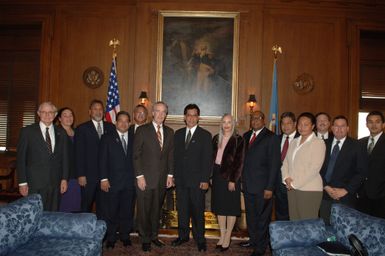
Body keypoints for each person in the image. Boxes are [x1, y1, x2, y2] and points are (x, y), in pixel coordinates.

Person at [133, 101, 174, 252]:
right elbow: (136, 155)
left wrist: (170, 175)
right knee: (144, 210)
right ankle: (144, 238)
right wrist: (139, 176)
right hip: (145, 179)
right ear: (153, 113)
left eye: (164, 112)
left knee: (156, 210)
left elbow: (170, 155)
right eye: (158, 111)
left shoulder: (170, 132)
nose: (161, 114)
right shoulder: (142, 131)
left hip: (162, 179)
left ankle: (154, 236)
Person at [171, 104, 212, 252]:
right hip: (181, 181)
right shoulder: (178, 134)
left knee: (197, 211)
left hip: (197, 182)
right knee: (182, 210)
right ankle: (183, 236)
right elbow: (174, 158)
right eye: (188, 115)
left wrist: (205, 179)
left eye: (194, 115)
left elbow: (207, 160)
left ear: (198, 117)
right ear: (184, 117)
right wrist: (173, 176)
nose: (191, 118)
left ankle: (200, 239)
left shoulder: (205, 135)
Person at [241, 111, 280, 256]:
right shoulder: (246, 136)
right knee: (251, 216)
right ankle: (253, 240)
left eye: (258, 118)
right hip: (248, 185)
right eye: (253, 118)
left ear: (264, 120)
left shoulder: (271, 137)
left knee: (263, 218)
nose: (255, 120)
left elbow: (275, 164)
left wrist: (270, 187)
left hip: (263, 187)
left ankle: (260, 248)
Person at [17, 101, 68, 211]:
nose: (47, 115)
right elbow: (21, 159)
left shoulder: (61, 132)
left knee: (52, 216)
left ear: (55, 115)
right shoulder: (27, 131)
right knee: (34, 215)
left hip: (55, 183)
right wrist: (22, 182)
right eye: (43, 112)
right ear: (38, 113)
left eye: (50, 112)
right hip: (34, 183)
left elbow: (65, 158)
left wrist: (64, 178)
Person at [319, 115, 367, 225]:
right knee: (325, 227)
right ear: (332, 128)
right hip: (325, 194)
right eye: (336, 126)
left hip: (345, 196)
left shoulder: (357, 145)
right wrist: (326, 187)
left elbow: (361, 172)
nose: (339, 129)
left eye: (342, 126)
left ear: (348, 128)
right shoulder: (323, 144)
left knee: (344, 228)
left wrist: (345, 190)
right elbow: (317, 168)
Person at [99, 111, 136, 249]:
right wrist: (103, 178)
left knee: (127, 211)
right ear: (115, 122)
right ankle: (111, 237)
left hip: (129, 183)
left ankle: (125, 236)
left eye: (127, 121)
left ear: (130, 123)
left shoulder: (134, 137)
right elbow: (102, 160)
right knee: (111, 211)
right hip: (112, 182)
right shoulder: (107, 138)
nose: (123, 123)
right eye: (121, 120)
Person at [75, 99, 115, 218]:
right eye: (95, 109)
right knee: (86, 207)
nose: (98, 112)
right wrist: (81, 174)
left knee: (104, 208)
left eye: (100, 109)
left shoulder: (111, 128)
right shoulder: (82, 128)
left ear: (103, 112)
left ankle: (102, 234)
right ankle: (84, 233)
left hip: (106, 177)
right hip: (88, 177)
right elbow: (79, 153)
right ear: (90, 112)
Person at [281, 112, 326, 220]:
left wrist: (294, 184)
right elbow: (285, 162)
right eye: (300, 124)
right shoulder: (294, 142)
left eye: (306, 124)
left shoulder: (318, 143)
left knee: (307, 225)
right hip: (291, 188)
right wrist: (286, 178)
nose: (302, 127)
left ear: (313, 126)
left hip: (309, 190)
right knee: (294, 222)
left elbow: (314, 169)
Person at [211, 114, 244, 251]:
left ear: (233, 124)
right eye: (224, 122)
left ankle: (228, 235)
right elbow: (212, 159)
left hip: (231, 177)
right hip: (217, 176)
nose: (226, 124)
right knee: (220, 207)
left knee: (230, 207)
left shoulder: (238, 140)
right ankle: (222, 234)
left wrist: (233, 180)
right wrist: (211, 176)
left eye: (229, 122)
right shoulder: (216, 138)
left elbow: (239, 162)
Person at [358, 111, 385, 219]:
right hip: (361, 195)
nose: (373, 125)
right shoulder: (359, 143)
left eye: (377, 122)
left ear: (383, 124)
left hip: (381, 196)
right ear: (366, 124)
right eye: (370, 122)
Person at [273, 112, 298, 221]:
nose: (285, 126)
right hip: (278, 184)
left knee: (295, 216)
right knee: (280, 216)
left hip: (295, 184)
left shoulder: (302, 139)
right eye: (283, 123)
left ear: (295, 124)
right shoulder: (275, 139)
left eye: (289, 123)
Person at [57, 107, 81, 213]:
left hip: (76, 175)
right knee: (63, 208)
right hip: (63, 176)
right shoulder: (56, 133)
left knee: (75, 207)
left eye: (70, 115)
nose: (68, 117)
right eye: (65, 115)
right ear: (59, 119)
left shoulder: (77, 132)